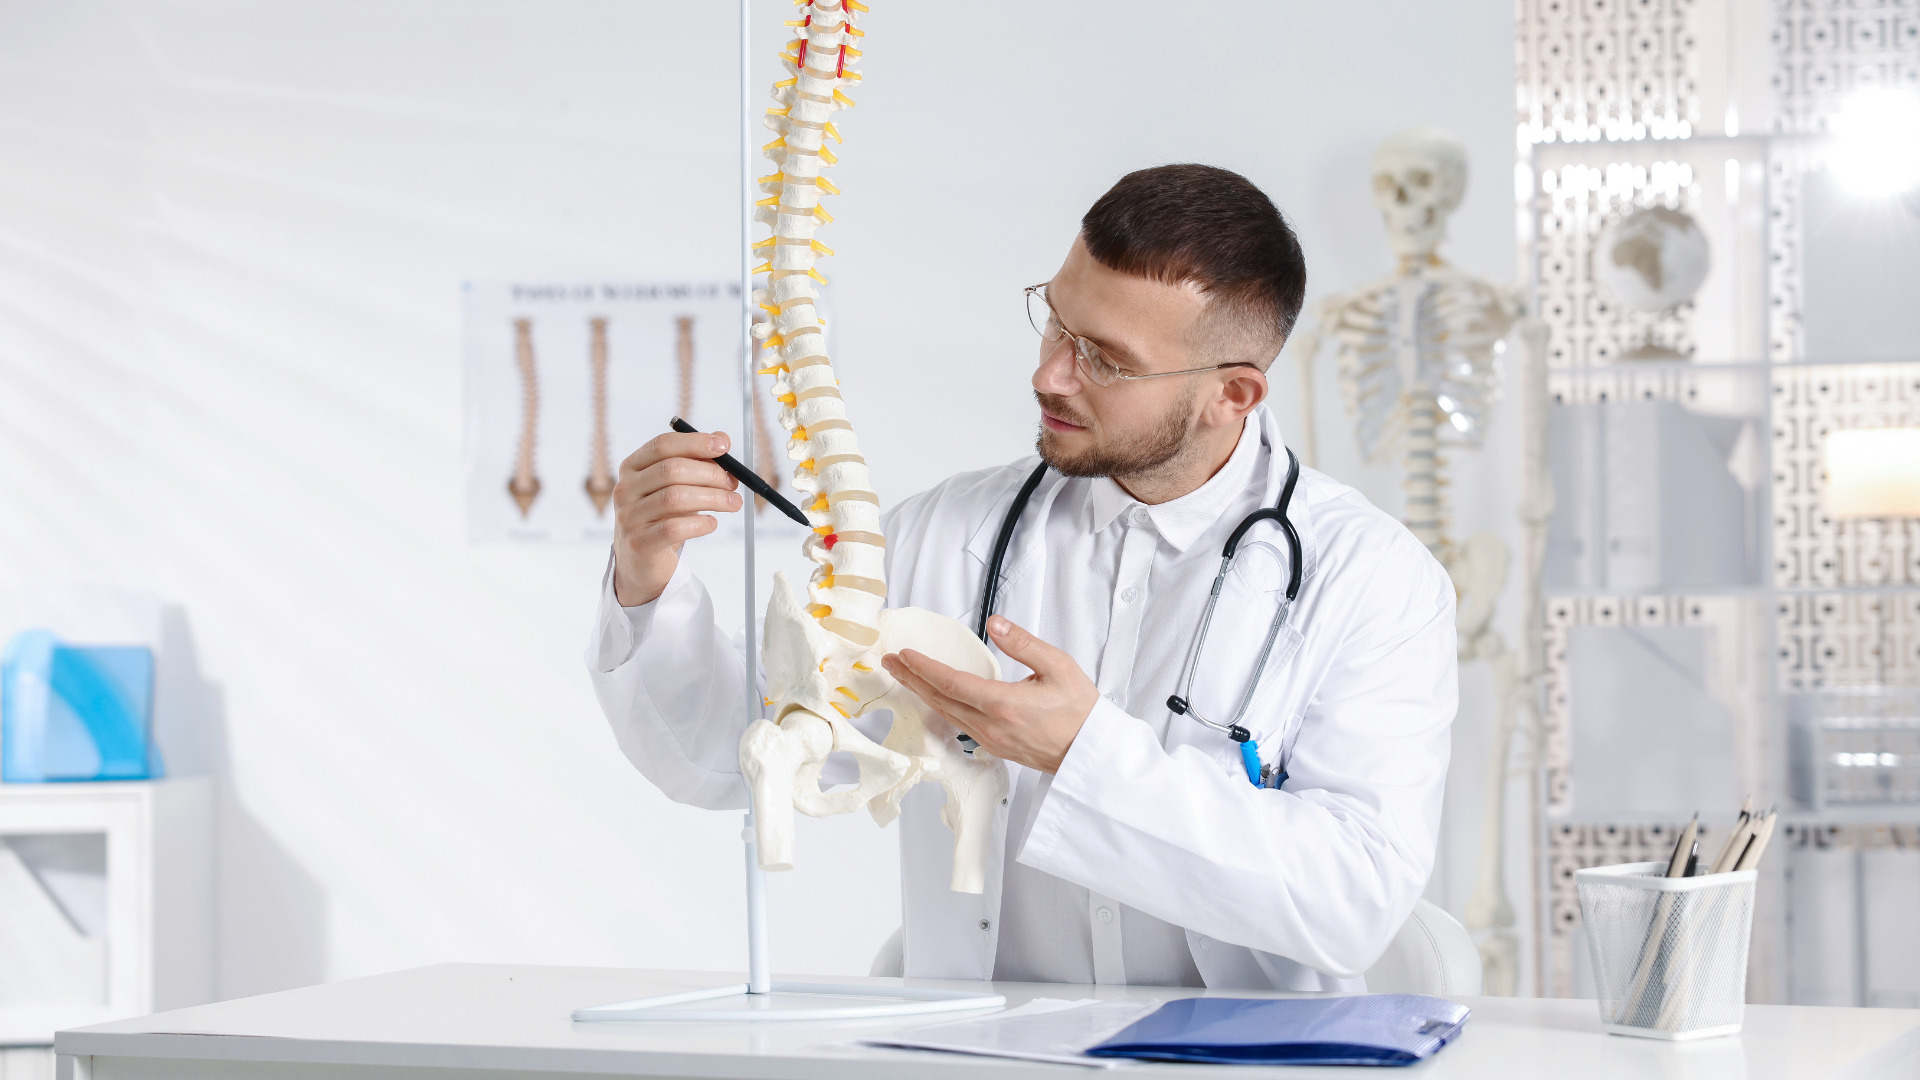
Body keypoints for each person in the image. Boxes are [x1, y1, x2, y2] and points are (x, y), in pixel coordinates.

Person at [586, 164, 1455, 992]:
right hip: (984, 1054)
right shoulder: (936, 540)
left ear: (1233, 396)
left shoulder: (1372, 581)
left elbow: (1356, 900)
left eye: (1105, 360)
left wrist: (1086, 755)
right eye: (1055, 322)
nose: (1049, 375)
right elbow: (722, 756)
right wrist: (647, 568)